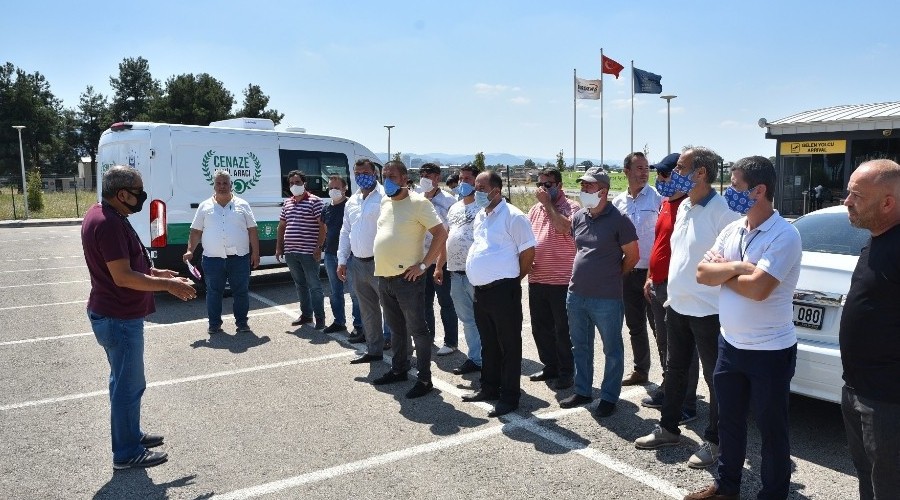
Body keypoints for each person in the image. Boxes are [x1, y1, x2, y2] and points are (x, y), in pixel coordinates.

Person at [688, 156, 801, 500]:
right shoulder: (733, 229)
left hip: (770, 351)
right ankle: (727, 488)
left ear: (759, 190)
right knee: (729, 422)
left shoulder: (784, 234)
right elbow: (701, 274)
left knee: (772, 430)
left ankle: (773, 494)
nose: (729, 192)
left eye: (735, 186)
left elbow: (759, 289)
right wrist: (739, 267)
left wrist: (724, 272)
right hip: (730, 345)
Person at [82, 166, 197, 469]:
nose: (143, 197)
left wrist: (156, 272)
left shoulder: (106, 214)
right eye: (138, 192)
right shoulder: (108, 223)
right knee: (129, 387)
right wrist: (168, 286)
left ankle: (130, 435)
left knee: (121, 382)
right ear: (122, 194)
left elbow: (124, 265)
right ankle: (126, 452)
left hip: (113, 314)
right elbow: (122, 276)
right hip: (118, 317)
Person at [634, 147, 740, 470]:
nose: (675, 174)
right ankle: (668, 429)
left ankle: (716, 441)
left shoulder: (723, 213)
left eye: (681, 168)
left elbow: (733, 264)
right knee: (675, 371)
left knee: (715, 379)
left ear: (701, 173)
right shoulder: (683, 207)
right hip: (677, 306)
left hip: (709, 311)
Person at [839, 159, 900, 500]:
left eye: (856, 196)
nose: (846, 201)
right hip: (856, 389)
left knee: (889, 486)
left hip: (888, 400)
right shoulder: (875, 240)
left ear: (887, 203)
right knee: (867, 476)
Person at [558, 167, 638, 417]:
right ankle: (583, 390)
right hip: (576, 295)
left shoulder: (619, 219)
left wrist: (612, 276)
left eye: (588, 186)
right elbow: (581, 250)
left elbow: (633, 256)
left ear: (603, 191)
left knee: (611, 350)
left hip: (607, 298)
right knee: (580, 346)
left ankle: (609, 397)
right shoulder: (579, 217)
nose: (583, 189)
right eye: (582, 185)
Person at [368, 160, 448, 399]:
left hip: (408, 279)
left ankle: (424, 379)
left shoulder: (419, 203)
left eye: (392, 176)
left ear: (404, 178)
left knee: (418, 331)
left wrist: (424, 265)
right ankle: (399, 369)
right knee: (396, 329)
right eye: (384, 176)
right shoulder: (385, 202)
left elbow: (441, 233)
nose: (387, 181)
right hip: (385, 277)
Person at [462, 170, 536, 418]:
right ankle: (489, 387)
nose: (477, 192)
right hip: (481, 292)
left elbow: (528, 253)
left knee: (509, 345)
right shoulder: (481, 215)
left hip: (504, 291)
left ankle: (509, 397)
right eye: (476, 188)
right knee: (489, 343)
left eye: (482, 188)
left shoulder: (514, 216)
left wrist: (513, 280)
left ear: (497, 190)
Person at [641, 153, 700, 420]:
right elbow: (659, 244)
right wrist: (650, 276)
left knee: (684, 347)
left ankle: (687, 402)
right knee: (665, 342)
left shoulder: (689, 208)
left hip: (676, 286)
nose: (660, 178)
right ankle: (669, 389)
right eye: (659, 174)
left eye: (665, 174)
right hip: (658, 284)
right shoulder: (666, 204)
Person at [184, 170, 260, 334]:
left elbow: (252, 230)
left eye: (225, 183)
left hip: (239, 258)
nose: (222, 186)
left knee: (241, 292)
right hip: (212, 259)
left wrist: (256, 253)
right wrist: (190, 250)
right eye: (218, 183)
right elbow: (196, 231)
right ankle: (214, 324)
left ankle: (242, 323)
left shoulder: (243, 205)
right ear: (214, 186)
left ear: (231, 185)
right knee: (213, 293)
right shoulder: (204, 206)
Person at [612, 152, 663, 386]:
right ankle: (641, 370)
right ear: (626, 172)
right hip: (628, 272)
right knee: (635, 326)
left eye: (647, 168)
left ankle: (669, 377)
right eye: (639, 168)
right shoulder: (618, 203)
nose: (645, 173)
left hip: (653, 274)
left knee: (660, 327)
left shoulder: (658, 199)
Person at [526, 167, 578, 391]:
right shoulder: (534, 210)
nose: (542, 189)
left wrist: (548, 205)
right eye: (540, 184)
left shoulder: (572, 207)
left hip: (562, 281)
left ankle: (566, 372)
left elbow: (565, 228)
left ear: (559, 186)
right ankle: (550, 366)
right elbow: (527, 238)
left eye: (548, 185)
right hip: (537, 279)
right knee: (541, 328)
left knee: (562, 330)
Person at [338, 159, 387, 361]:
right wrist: (342, 260)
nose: (361, 177)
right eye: (357, 173)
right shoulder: (353, 200)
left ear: (374, 173)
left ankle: (401, 355)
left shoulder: (385, 197)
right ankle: (374, 350)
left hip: (381, 262)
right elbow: (345, 231)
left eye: (365, 173)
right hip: (357, 263)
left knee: (392, 311)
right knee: (368, 311)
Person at [445, 165, 483, 375]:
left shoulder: (484, 206)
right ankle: (475, 358)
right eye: (461, 179)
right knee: (467, 319)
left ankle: (491, 358)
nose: (463, 182)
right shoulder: (454, 208)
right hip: (455, 272)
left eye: (468, 179)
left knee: (483, 318)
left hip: (476, 273)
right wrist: (440, 266)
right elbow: (447, 236)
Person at [417, 162, 459, 355]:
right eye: (422, 175)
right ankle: (428, 337)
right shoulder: (417, 199)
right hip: (421, 260)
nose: (424, 179)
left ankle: (450, 342)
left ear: (437, 178)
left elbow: (449, 235)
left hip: (441, 260)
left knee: (445, 302)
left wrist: (439, 265)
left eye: (428, 175)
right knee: (424, 303)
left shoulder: (449, 202)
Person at [276, 170, 326, 330]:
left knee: (314, 286)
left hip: (309, 252)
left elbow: (322, 226)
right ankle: (306, 315)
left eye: (297, 182)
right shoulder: (287, 203)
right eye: (291, 183)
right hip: (291, 252)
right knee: (300, 285)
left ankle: (320, 317)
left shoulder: (315, 201)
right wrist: (279, 247)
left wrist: (318, 247)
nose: (294, 185)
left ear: (304, 183)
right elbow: (281, 226)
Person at [321, 175, 363, 335]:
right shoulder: (326, 207)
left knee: (354, 292)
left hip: (350, 255)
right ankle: (339, 321)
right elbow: (325, 229)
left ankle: (359, 325)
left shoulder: (351, 205)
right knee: (335, 292)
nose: (333, 190)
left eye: (337, 188)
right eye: (331, 187)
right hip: (331, 255)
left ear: (345, 188)